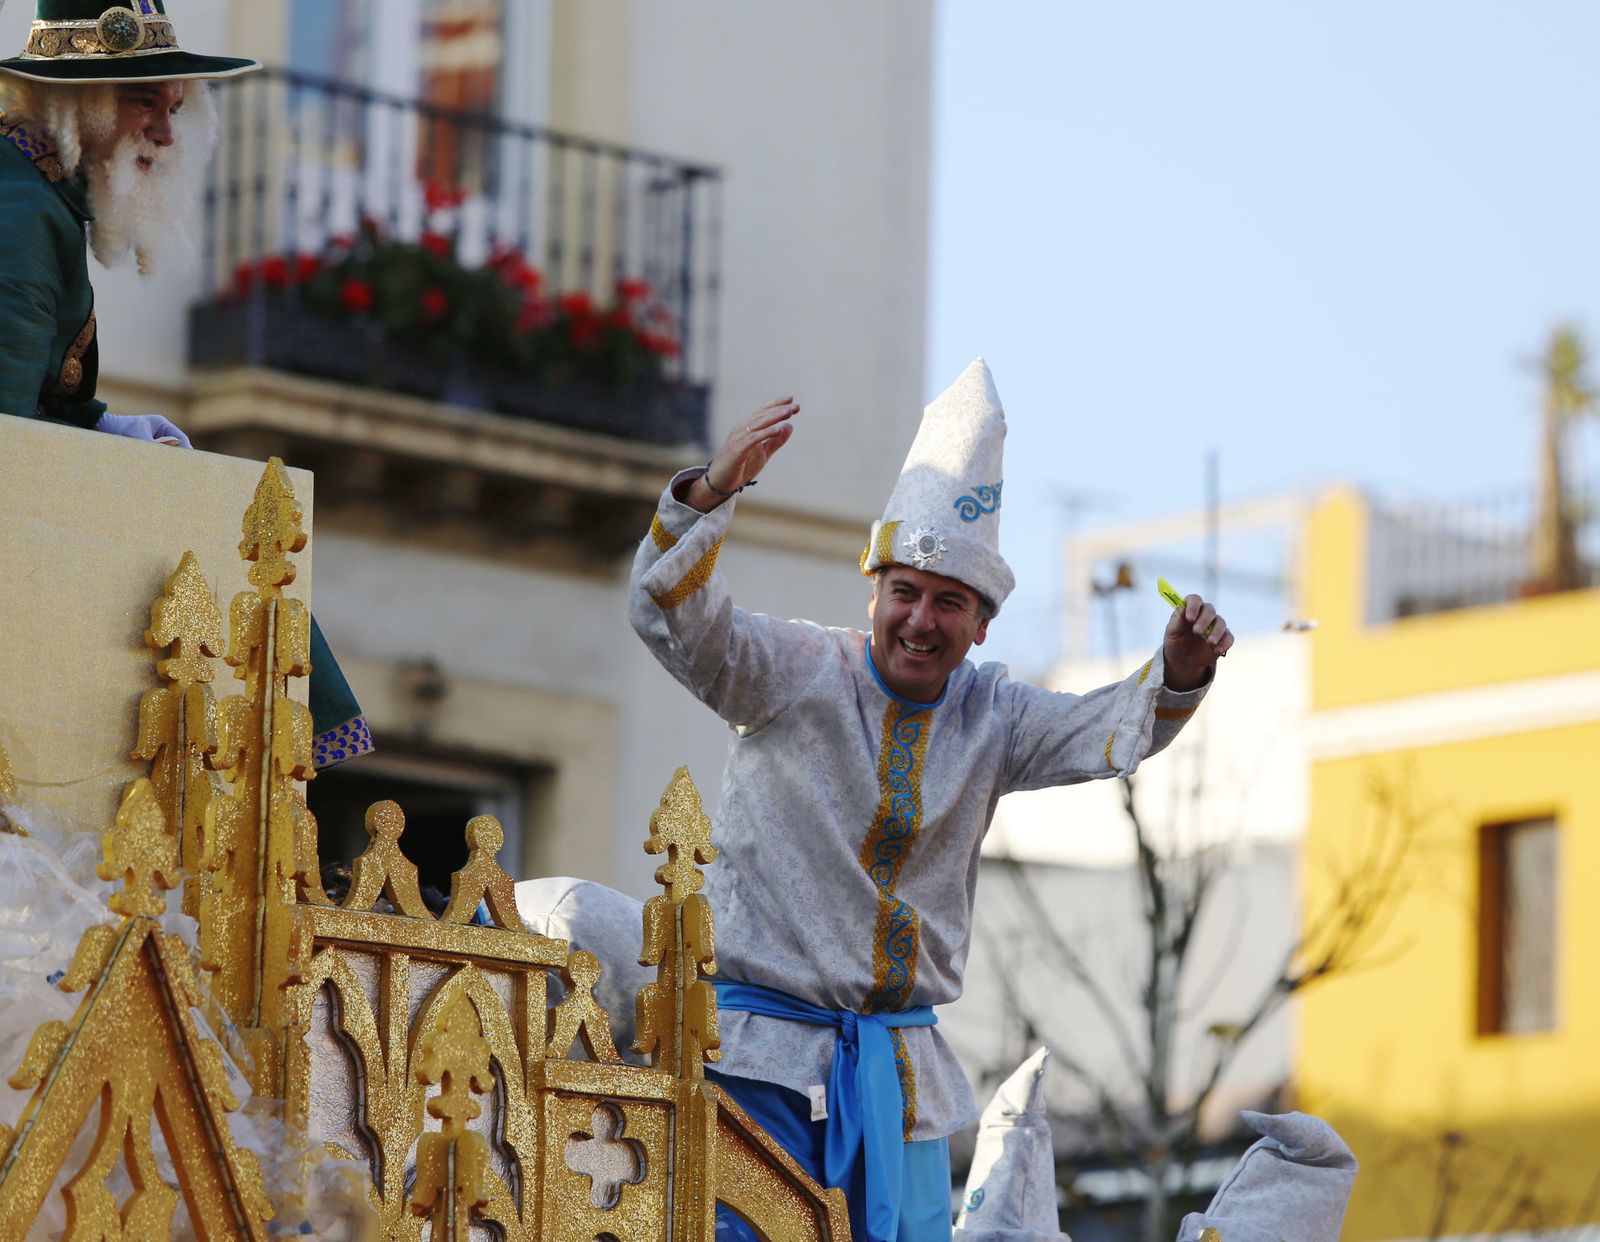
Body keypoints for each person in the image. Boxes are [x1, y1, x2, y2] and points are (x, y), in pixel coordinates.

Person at [629, 359, 1233, 1241]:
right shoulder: (794, 671)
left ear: (981, 624)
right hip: (754, 1064)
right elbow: (675, 621)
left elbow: (1107, 728)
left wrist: (1180, 666)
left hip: (898, 1086)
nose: (920, 619)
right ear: (871, 594)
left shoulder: (994, 715)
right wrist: (712, 491)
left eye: (948, 602)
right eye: (904, 593)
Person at [0, 1, 369, 769]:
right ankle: (281, 785)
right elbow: (12, 440)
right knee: (232, 530)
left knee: (219, 504)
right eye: (143, 99)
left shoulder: (35, 193)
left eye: (172, 106)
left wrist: (114, 431)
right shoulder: (22, 213)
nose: (165, 132)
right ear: (69, 98)